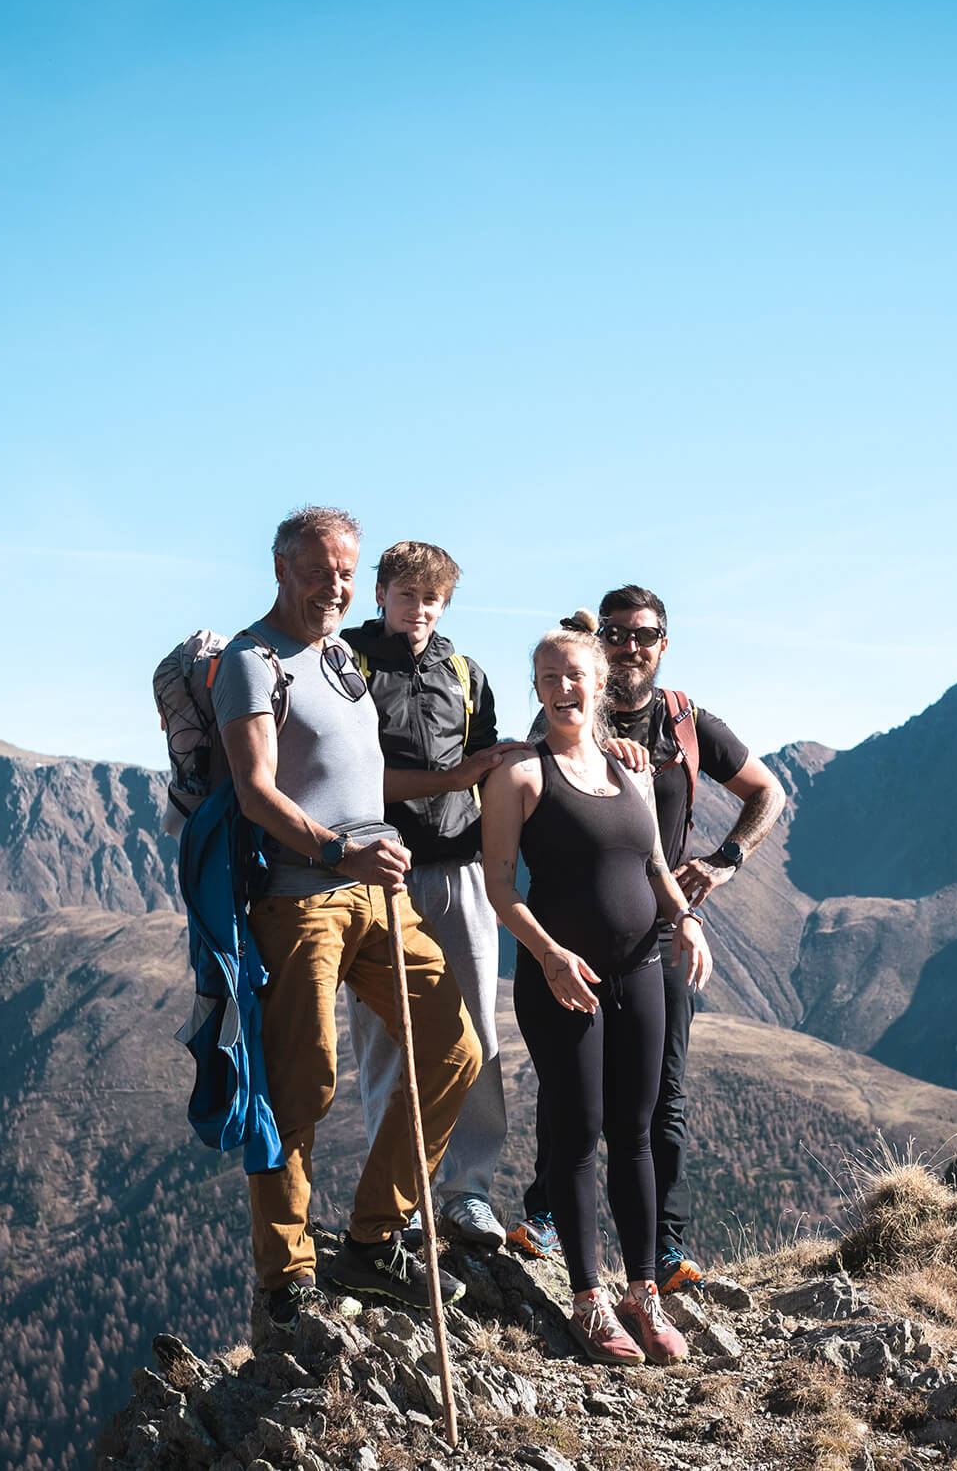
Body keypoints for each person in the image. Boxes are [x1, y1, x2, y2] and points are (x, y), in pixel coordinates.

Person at [214, 505, 482, 1335]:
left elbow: (363, 777)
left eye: (346, 571)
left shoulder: (339, 658)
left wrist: (446, 789)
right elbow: (258, 792)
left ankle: (373, 1238)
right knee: (303, 1086)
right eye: (320, 568)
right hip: (302, 898)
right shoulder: (251, 662)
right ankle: (287, 1276)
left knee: (456, 1049)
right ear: (282, 569)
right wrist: (340, 853)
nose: (335, 585)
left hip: (379, 890)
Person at [508, 585, 784, 1295]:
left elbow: (768, 792)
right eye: (617, 634)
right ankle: (547, 1217)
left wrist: (725, 863)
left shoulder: (687, 725)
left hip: (658, 929)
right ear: (598, 646)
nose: (632, 645)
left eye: (646, 634)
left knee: (659, 1094)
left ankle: (662, 1248)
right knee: (572, 1087)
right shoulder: (568, 718)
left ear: (665, 643)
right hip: (572, 929)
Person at [481, 618, 711, 1364]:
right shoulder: (519, 775)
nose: (560, 689)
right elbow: (497, 887)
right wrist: (547, 956)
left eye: (572, 675)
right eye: (546, 678)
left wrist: (687, 921)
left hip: (642, 970)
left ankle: (643, 1293)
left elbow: (653, 866)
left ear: (600, 683)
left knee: (636, 1134)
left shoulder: (631, 772)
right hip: (563, 980)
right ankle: (589, 1303)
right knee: (576, 1137)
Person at [342, 540, 530, 1247]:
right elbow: (347, 775)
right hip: (380, 874)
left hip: (460, 872)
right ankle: (404, 1199)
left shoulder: (464, 671)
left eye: (433, 598)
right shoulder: (348, 667)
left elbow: (486, 767)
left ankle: (467, 1190)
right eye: (406, 595)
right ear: (381, 594)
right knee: (389, 1036)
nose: (419, 610)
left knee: (476, 1031)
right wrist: (450, 782)